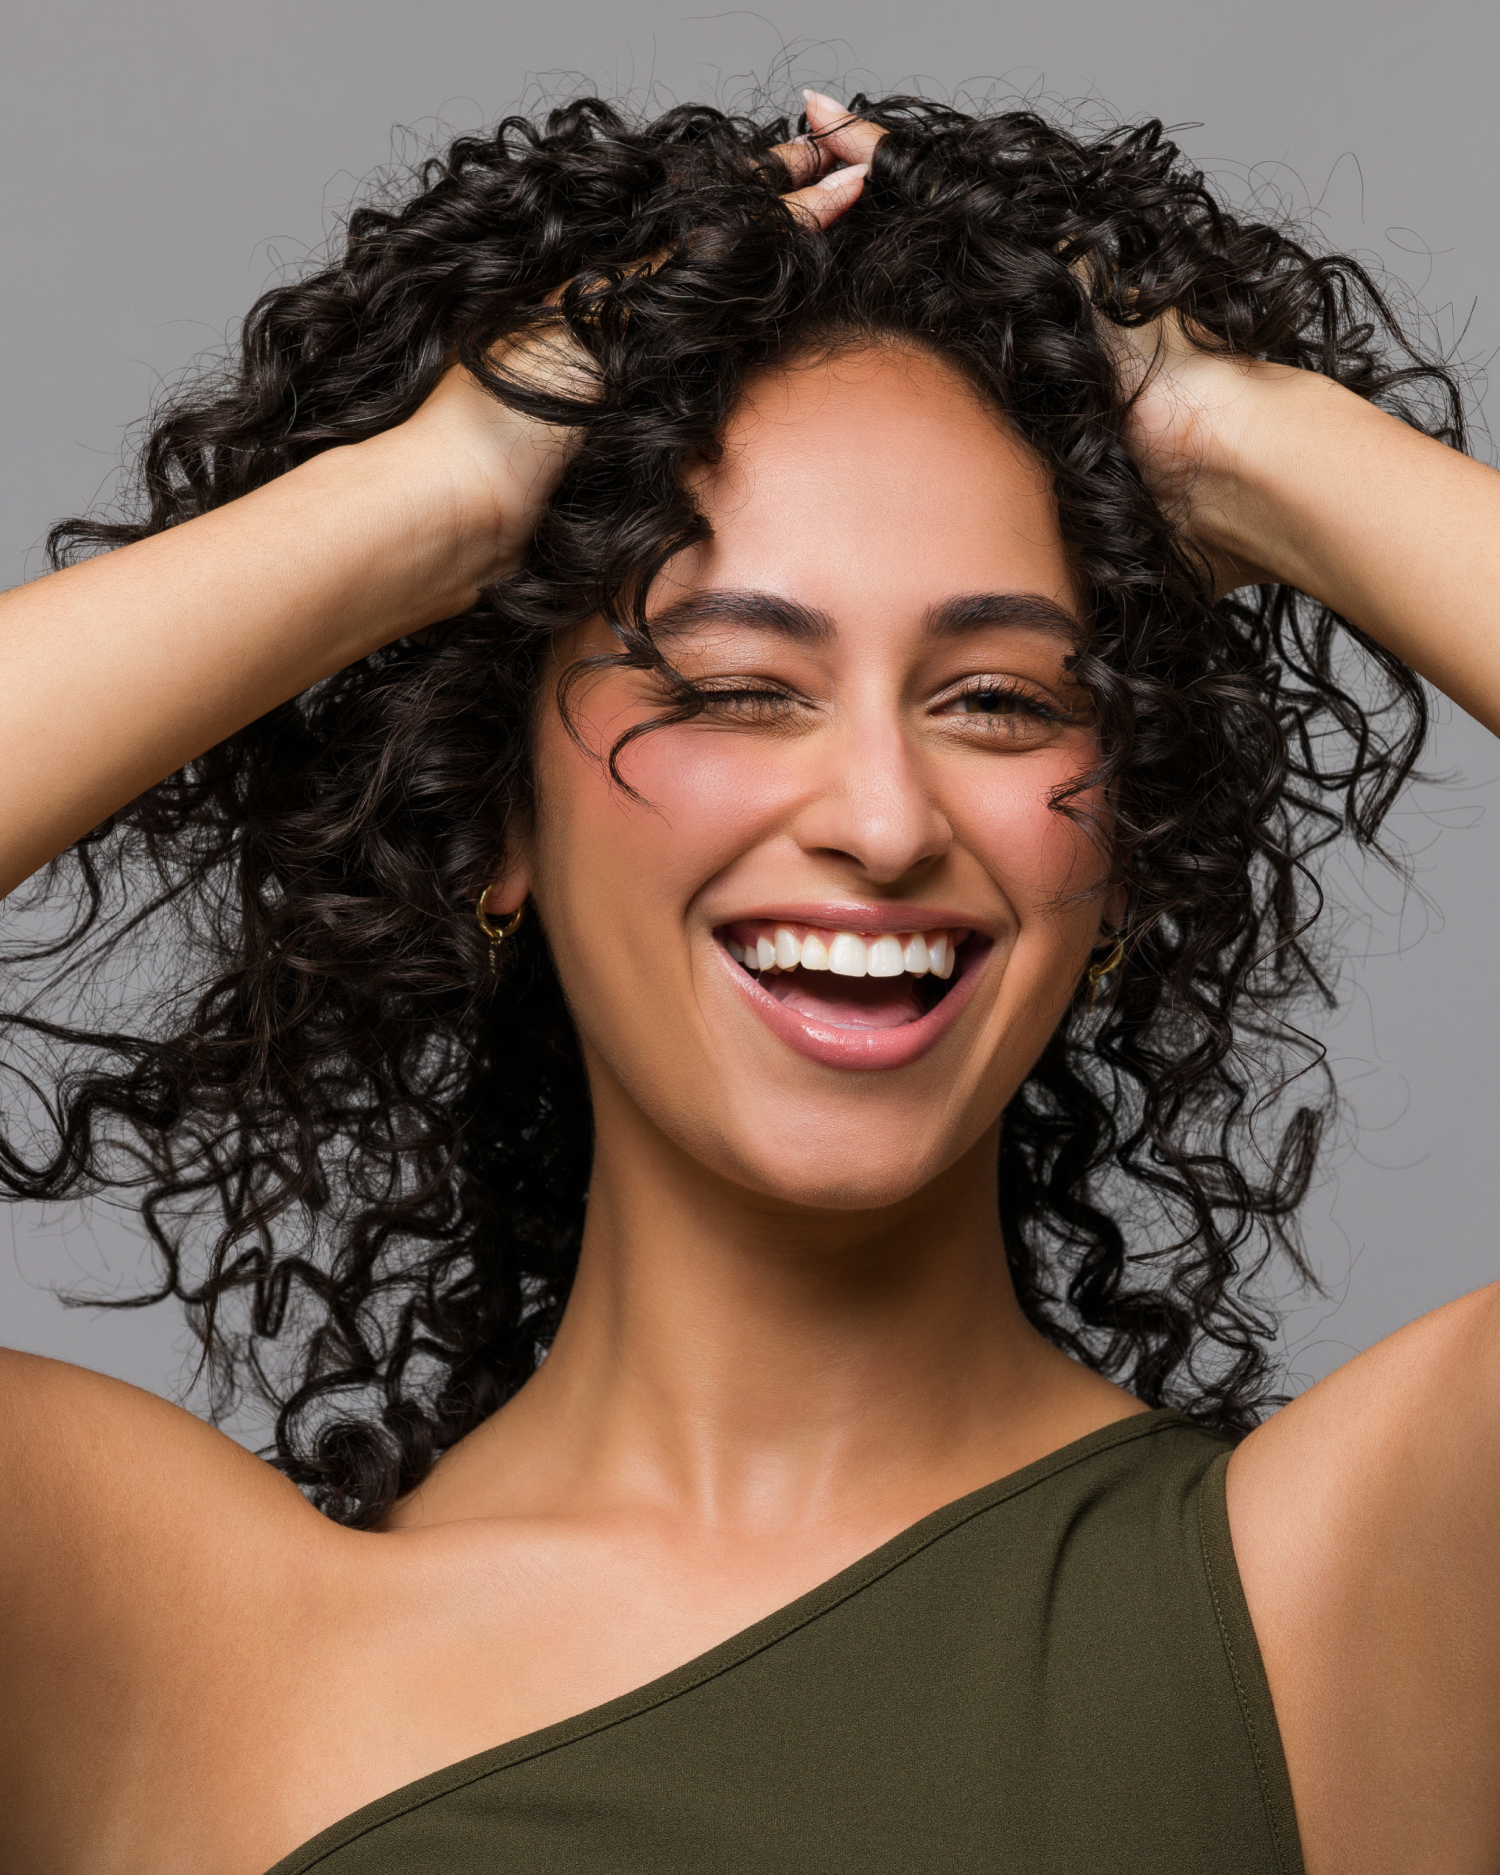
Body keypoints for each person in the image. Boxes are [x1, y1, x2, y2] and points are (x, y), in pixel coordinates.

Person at [1, 84, 1496, 1875]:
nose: (881, 818)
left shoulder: (1342, 1589)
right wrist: (423, 504)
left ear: (1124, 838)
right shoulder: (156, 1637)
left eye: (999, 700)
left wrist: (1245, 440)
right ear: (490, 816)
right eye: (729, 688)